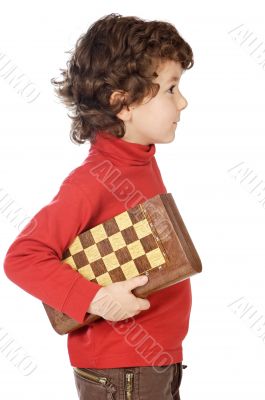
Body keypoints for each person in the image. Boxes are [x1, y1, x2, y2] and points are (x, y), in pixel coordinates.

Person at [3, 12, 194, 399]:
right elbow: (23, 257)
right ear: (122, 102)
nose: (183, 102)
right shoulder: (93, 179)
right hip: (123, 372)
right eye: (171, 89)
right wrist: (95, 299)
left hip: (153, 364)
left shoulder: (140, 159)